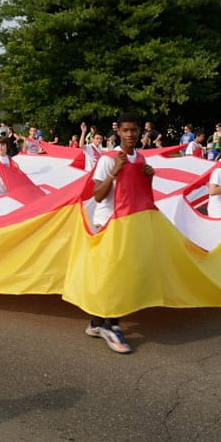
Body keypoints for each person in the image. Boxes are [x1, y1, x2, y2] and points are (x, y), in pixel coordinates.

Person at [85, 112, 155, 354]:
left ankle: (96, 322)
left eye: (134, 130)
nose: (130, 134)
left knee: (121, 274)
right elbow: (97, 195)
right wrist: (114, 171)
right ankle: (112, 326)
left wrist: (149, 177)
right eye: (125, 130)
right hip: (107, 223)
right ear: (118, 132)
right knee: (113, 276)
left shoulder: (141, 158)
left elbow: (140, 193)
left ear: (140, 132)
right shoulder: (108, 159)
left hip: (129, 224)